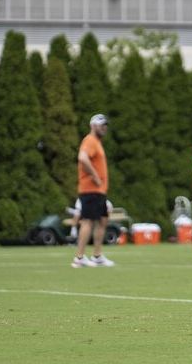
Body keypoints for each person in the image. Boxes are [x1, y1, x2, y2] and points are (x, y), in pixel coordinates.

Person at [72, 113, 114, 268]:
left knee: (103, 220)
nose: (104, 128)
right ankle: (80, 257)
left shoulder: (96, 142)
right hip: (90, 189)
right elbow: (83, 158)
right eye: (101, 125)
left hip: (99, 191)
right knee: (88, 221)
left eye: (105, 126)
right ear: (93, 125)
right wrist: (95, 176)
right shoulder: (89, 140)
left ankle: (97, 255)